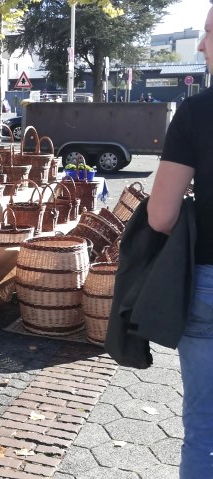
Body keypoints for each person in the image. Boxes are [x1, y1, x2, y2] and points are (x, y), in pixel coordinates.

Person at [147, 3, 213, 477]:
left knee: (204, 428)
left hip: (210, 280)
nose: (203, 44)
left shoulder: (196, 113)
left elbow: (161, 215)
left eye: (210, 32)